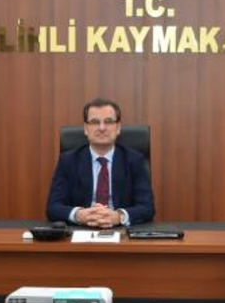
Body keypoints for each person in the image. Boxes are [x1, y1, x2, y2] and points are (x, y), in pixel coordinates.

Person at [47, 97, 155, 228]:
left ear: (118, 128)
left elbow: (147, 208)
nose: (102, 128)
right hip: (80, 231)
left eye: (108, 121)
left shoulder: (135, 160)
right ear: (86, 128)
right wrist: (80, 215)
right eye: (95, 122)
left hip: (121, 232)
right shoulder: (68, 161)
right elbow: (53, 207)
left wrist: (118, 217)